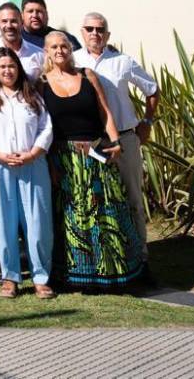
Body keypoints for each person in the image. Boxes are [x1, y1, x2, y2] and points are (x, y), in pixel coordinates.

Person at [41, 32, 143, 290]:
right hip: (65, 159)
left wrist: (115, 142)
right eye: (54, 46)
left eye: (64, 45)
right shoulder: (40, 83)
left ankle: (115, 272)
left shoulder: (87, 75)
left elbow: (105, 111)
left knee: (107, 213)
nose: (60, 50)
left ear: (70, 49)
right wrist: (50, 163)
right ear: (47, 51)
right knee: (74, 217)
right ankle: (80, 276)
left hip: (97, 153)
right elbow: (41, 126)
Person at [73, 12, 159, 266]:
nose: (95, 34)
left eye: (100, 29)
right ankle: (107, 257)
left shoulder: (123, 61)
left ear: (107, 34)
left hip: (125, 139)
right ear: (82, 32)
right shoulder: (73, 60)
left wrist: (147, 121)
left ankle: (140, 255)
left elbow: (152, 90)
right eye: (89, 29)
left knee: (132, 198)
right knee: (95, 200)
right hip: (91, 143)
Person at [0, 48, 55, 299]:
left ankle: (41, 277)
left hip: (32, 164)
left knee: (38, 221)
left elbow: (46, 128)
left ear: (18, 68)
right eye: (2, 67)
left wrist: (32, 154)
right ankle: (10, 277)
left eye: (12, 66)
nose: (8, 71)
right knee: (1, 221)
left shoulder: (32, 96)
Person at [0, 3, 44, 94]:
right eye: (4, 21)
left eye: (13, 21)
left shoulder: (39, 54)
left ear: (21, 22)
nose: (9, 26)